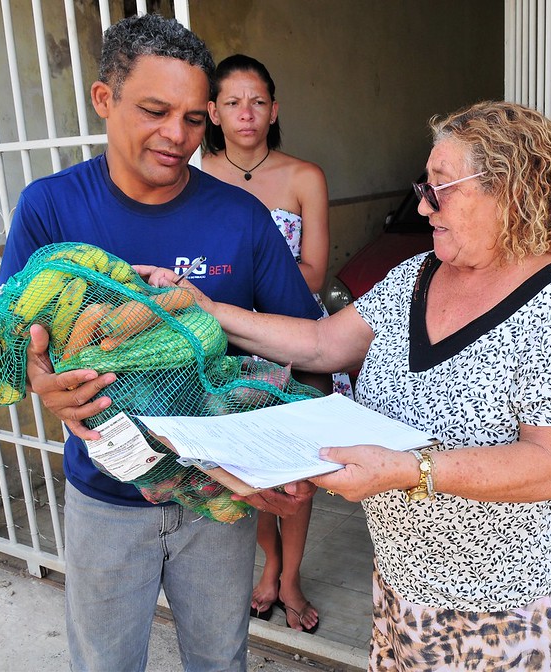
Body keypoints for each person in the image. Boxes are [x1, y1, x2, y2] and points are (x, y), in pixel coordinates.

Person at [146, 100, 551, 671]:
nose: (422, 203)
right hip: (402, 588)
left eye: (440, 187)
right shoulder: (416, 276)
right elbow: (322, 344)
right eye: (424, 183)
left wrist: (410, 470)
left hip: (504, 609)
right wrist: (210, 310)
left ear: (510, 192)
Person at [0, 13, 323, 672]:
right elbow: (9, 347)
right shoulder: (51, 208)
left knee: (219, 660)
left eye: (193, 118)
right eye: (153, 110)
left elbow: (303, 353)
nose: (177, 135)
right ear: (104, 100)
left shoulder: (238, 217)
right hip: (106, 500)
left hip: (217, 504)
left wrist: (282, 455)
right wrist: (42, 382)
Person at [201, 53, 345, 634]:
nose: (246, 113)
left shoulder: (304, 176)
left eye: (258, 101)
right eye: (233, 102)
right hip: (227, 342)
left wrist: (259, 300)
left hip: (296, 339)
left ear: (274, 109)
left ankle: (291, 578)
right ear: (212, 111)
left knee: (298, 462)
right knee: (249, 462)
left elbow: (313, 268)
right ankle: (269, 564)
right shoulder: (195, 176)